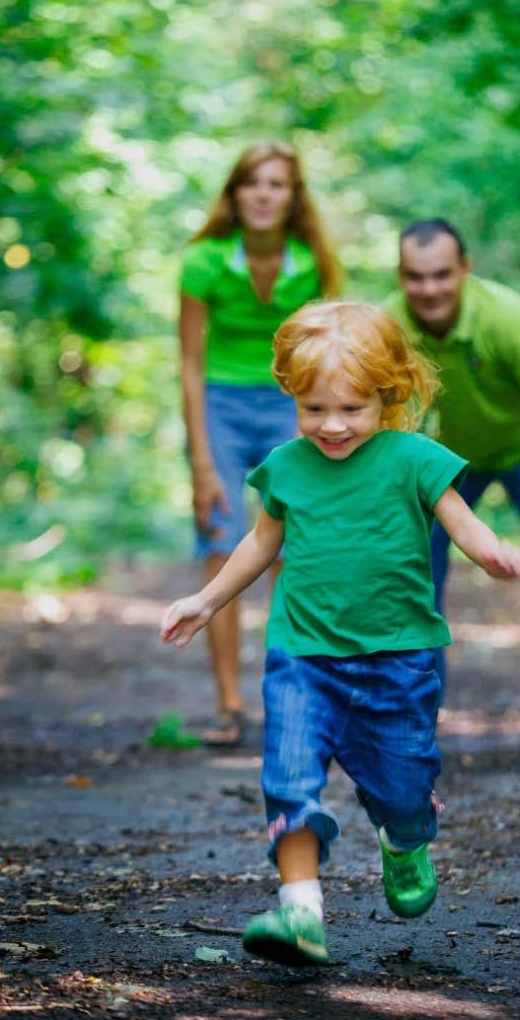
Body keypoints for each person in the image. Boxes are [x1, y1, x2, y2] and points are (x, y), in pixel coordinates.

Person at [161, 301, 520, 966]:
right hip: (303, 655)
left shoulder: (415, 457)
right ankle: (301, 910)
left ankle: (404, 835)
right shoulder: (287, 466)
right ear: (294, 398)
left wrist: (491, 551)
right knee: (289, 775)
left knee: (403, 788)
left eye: (351, 409)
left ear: (386, 396)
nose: (331, 425)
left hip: (398, 659)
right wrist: (207, 600)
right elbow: (256, 544)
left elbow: (461, 520)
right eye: (315, 409)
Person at [384, 218, 520, 754]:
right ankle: (415, 721)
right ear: (401, 276)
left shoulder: (505, 319)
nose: (429, 289)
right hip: (447, 459)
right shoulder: (388, 326)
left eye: (442, 275)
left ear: (466, 270)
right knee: (414, 573)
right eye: (415, 277)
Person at [178, 141, 339, 745]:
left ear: (294, 197)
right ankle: (228, 703)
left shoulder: (313, 261)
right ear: (236, 194)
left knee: (289, 547)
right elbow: (190, 363)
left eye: (278, 184)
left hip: (289, 404)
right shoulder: (204, 261)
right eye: (253, 183)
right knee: (222, 543)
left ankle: (287, 693)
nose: (265, 194)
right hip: (219, 403)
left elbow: (331, 349)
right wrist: (200, 460)